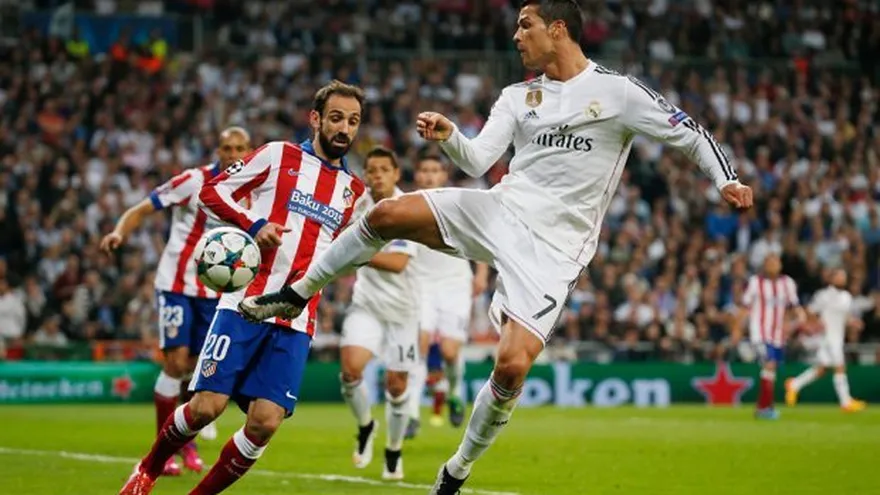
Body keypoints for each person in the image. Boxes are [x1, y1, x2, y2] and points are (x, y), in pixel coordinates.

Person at [238, 1, 753, 492]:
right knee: (387, 213)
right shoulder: (518, 96)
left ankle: (456, 469)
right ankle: (298, 292)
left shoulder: (616, 93)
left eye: (525, 24)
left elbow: (687, 132)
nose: (515, 35)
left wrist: (724, 179)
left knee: (511, 366)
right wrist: (449, 136)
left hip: (556, 250)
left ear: (557, 29)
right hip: (502, 211)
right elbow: (479, 161)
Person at [118, 80, 367, 495]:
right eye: (337, 118)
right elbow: (211, 192)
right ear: (316, 119)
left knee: (265, 422)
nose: (345, 128)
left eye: (354, 121)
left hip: (295, 317)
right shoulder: (278, 155)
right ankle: (147, 469)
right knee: (205, 408)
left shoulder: (353, 191)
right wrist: (253, 225)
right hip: (244, 304)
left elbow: (339, 252)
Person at [101, 126, 252, 475]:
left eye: (240, 148)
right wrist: (118, 232)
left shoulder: (254, 191)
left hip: (216, 293)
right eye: (227, 148)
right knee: (176, 361)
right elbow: (142, 208)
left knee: (198, 370)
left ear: (249, 150)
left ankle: (185, 442)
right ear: (218, 150)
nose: (233, 155)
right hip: (176, 285)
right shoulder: (192, 181)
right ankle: (166, 451)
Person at [337, 146, 421, 480]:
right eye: (371, 170)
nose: (377, 176)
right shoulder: (358, 206)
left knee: (397, 387)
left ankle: (394, 448)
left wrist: (354, 253)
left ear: (396, 173)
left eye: (384, 169)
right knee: (350, 371)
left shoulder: (407, 208)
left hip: (403, 312)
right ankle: (365, 426)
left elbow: (398, 263)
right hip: (367, 305)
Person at [406, 155, 489, 435]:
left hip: (454, 283)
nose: (429, 176)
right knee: (420, 344)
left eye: (435, 171)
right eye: (424, 170)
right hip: (421, 284)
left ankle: (454, 392)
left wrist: (481, 274)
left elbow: (481, 238)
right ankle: (412, 413)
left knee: (451, 352)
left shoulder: (458, 202)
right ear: (417, 175)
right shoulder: (406, 205)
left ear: (444, 175)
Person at [785, 269, 867, 412]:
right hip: (827, 338)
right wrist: (815, 324)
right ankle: (845, 402)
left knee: (822, 370)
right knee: (840, 367)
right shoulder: (823, 296)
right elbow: (809, 311)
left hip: (838, 336)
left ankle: (794, 385)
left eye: (844, 276)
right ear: (832, 279)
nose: (842, 279)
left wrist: (853, 322)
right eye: (839, 276)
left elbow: (845, 317)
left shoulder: (847, 297)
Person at [738, 253, 806, 419]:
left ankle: (764, 406)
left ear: (780, 265)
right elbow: (745, 306)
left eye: (775, 262)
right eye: (769, 262)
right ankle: (764, 408)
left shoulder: (787, 283)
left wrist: (797, 321)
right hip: (759, 333)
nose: (772, 265)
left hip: (778, 335)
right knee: (769, 364)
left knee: (771, 370)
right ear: (764, 265)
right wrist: (737, 328)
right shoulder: (755, 282)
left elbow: (795, 306)